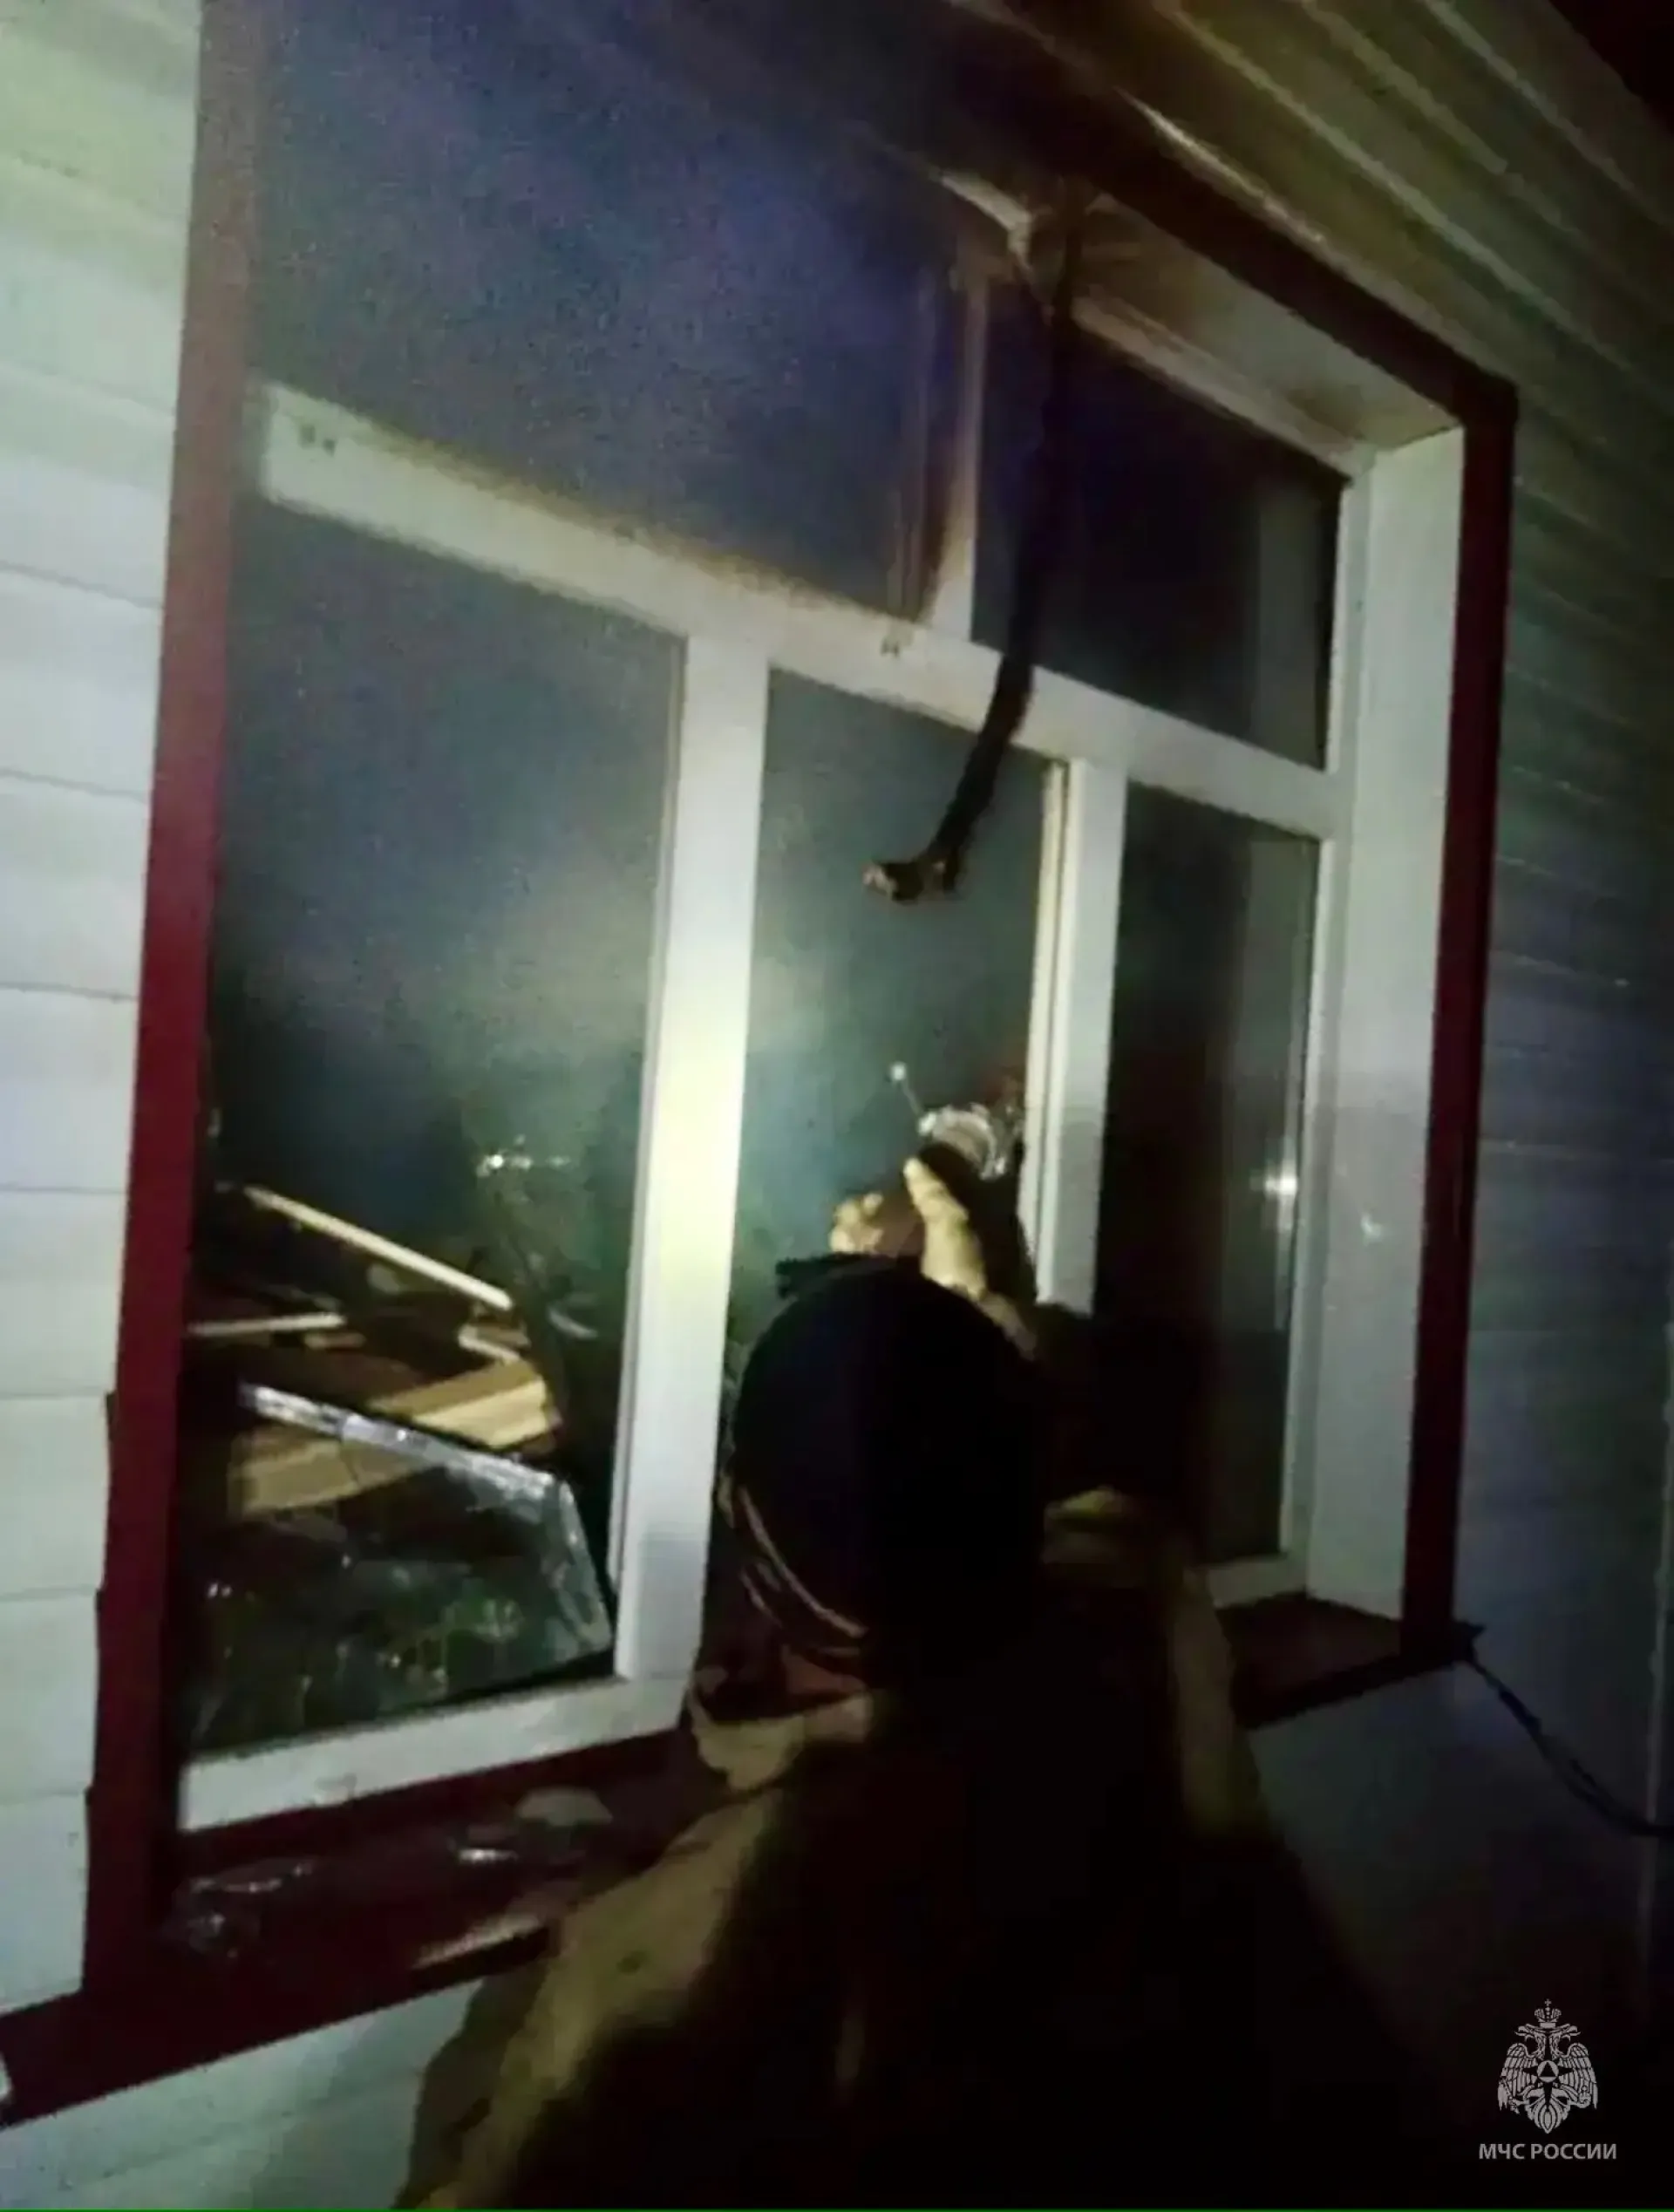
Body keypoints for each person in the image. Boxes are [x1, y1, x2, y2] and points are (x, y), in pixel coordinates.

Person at [407, 1157, 1446, 2207]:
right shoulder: (1137, 1640)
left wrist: (544, 1954)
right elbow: (1081, 1502)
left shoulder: (658, 1964)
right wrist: (958, 1323)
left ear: (737, 1522)